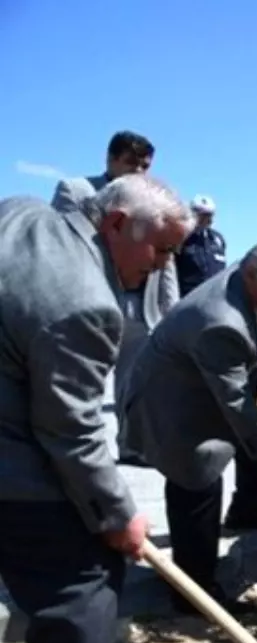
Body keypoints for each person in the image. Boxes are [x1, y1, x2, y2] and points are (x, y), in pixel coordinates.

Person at [0, 174, 191, 643]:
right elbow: (70, 431)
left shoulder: (20, 212)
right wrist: (118, 516)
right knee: (83, 585)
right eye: (162, 250)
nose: (161, 267)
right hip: (13, 472)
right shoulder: (86, 304)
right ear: (116, 223)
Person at [118, 242, 257, 616]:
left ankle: (248, 513)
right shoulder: (221, 321)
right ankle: (194, 593)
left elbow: (242, 392)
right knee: (199, 478)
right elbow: (234, 400)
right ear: (254, 275)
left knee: (256, 435)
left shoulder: (251, 286)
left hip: (210, 384)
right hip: (173, 407)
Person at [50, 130, 179, 468]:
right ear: (110, 159)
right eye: (132, 163)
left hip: (140, 306)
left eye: (145, 166)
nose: (139, 172)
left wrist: (172, 309)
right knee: (82, 379)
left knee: (134, 382)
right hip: (90, 301)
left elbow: (166, 258)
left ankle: (133, 447)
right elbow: (65, 241)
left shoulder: (155, 198)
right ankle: (80, 451)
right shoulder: (76, 191)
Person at [175, 195, 228, 297]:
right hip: (189, 298)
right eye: (204, 215)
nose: (209, 219)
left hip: (215, 297)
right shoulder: (181, 239)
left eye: (211, 215)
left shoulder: (218, 239)